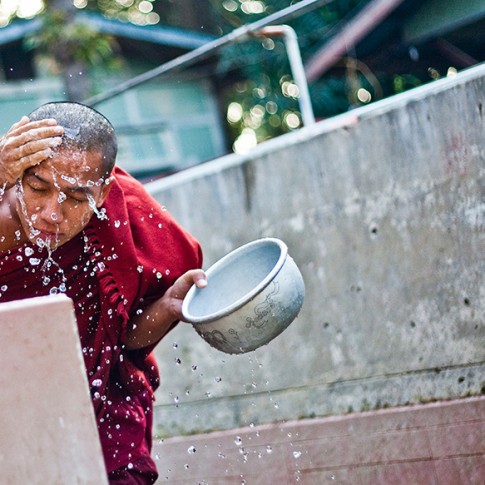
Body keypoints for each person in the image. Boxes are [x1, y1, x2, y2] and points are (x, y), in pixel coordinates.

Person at [0, 102, 206, 484]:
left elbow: (122, 343)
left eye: (76, 199)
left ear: (104, 190)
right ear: (16, 174)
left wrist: (167, 307)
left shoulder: (125, 212)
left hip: (99, 409)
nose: (51, 214)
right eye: (38, 188)